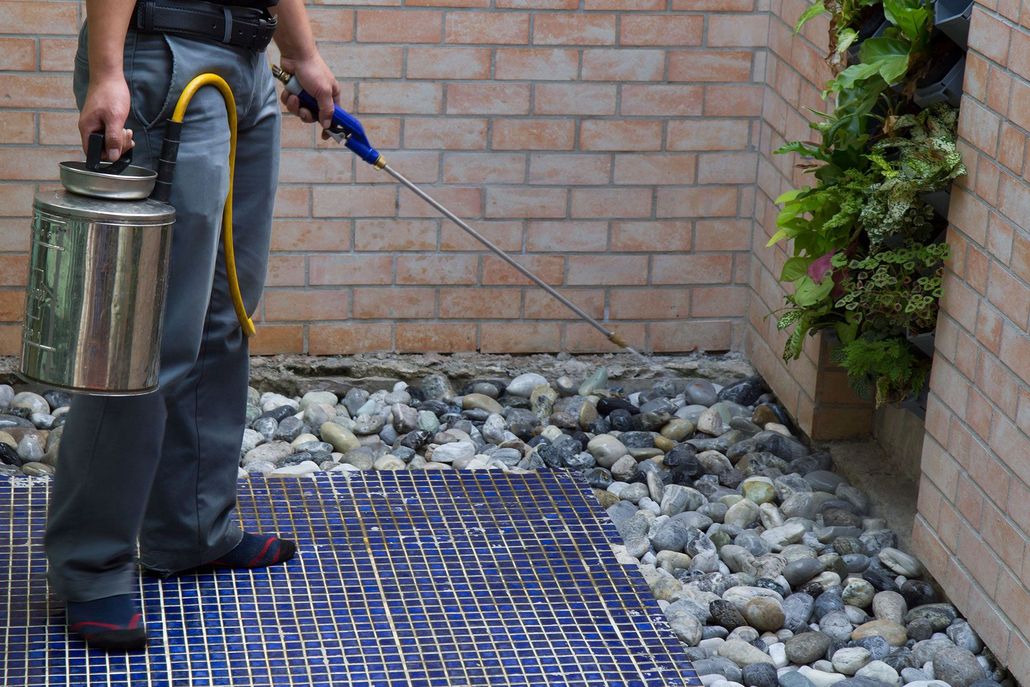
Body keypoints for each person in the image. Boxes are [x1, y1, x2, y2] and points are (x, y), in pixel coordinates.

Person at [44, 0, 340, 651]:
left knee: (223, 311)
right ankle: (91, 567)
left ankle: (195, 530)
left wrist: (300, 54)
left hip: (249, 65)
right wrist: (107, 69)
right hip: (165, 56)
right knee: (146, 339)